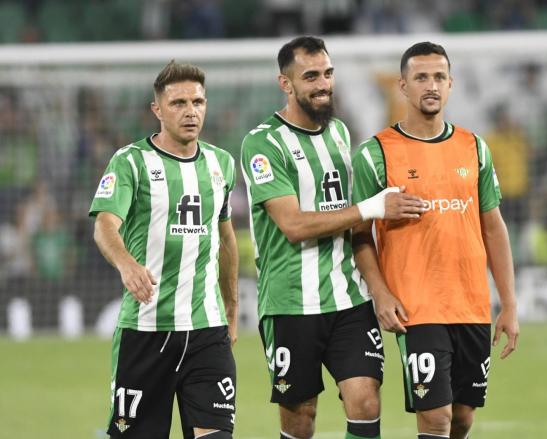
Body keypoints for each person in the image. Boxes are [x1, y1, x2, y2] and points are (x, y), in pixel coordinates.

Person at [240, 36, 424, 439]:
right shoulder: (263, 144)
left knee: (365, 399)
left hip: (349, 298)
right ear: (285, 84)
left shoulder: (340, 133)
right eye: (311, 76)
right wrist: (372, 207)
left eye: (327, 73)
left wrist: (379, 290)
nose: (323, 84)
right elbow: (293, 225)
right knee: (300, 417)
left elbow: (355, 229)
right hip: (290, 301)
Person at [352, 42, 520, 439]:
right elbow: (358, 235)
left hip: (472, 305)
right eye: (421, 77)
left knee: (462, 418)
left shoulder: (474, 148)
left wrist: (509, 303)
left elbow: (493, 228)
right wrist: (380, 293)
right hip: (418, 308)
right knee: (436, 417)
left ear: (451, 84)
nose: (432, 85)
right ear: (403, 86)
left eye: (439, 77)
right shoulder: (375, 154)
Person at [90, 60, 239, 439]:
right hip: (146, 330)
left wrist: (232, 307)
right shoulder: (131, 162)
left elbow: (225, 239)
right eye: (178, 103)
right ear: (157, 110)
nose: (191, 111)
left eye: (198, 102)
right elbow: (105, 224)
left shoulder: (221, 164)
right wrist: (126, 264)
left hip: (207, 330)